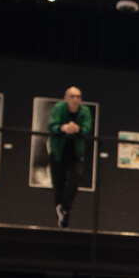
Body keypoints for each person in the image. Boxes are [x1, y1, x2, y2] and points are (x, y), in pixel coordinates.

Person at [46, 86, 95, 228]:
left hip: (75, 153)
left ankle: (65, 208)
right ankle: (63, 218)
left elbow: (87, 127)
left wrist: (77, 129)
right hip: (58, 151)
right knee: (58, 184)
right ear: (65, 98)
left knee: (75, 179)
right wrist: (62, 128)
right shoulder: (58, 108)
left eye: (78, 97)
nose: (75, 100)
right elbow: (52, 125)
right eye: (72, 96)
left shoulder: (84, 111)